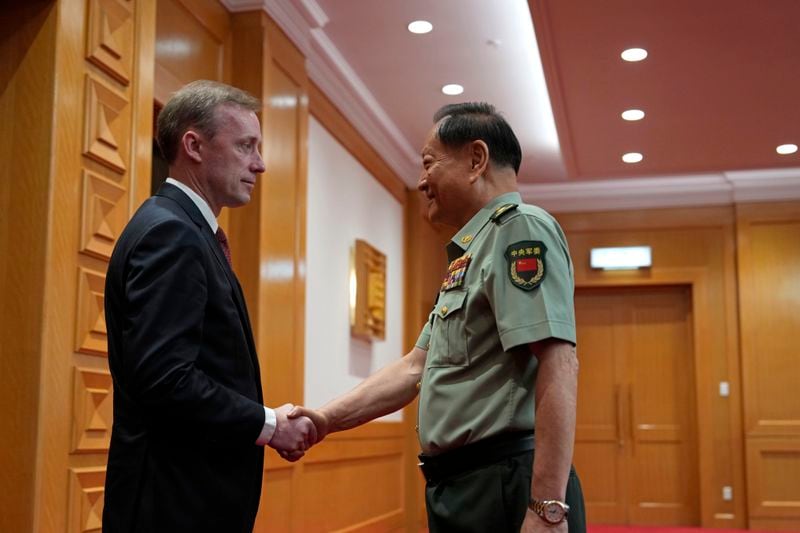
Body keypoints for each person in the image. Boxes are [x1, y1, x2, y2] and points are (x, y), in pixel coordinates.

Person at [291, 102, 586, 532]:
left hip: (504, 482)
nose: (420, 181)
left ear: (476, 159)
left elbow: (560, 363)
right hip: (464, 485)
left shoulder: (519, 230)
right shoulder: (469, 257)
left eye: (428, 163)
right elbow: (415, 367)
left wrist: (547, 506)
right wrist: (324, 419)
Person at [103, 80, 316, 533]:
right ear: (194, 145)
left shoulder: (184, 229)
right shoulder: (171, 233)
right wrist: (268, 424)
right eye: (245, 146)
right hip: (173, 505)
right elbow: (166, 378)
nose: (260, 164)